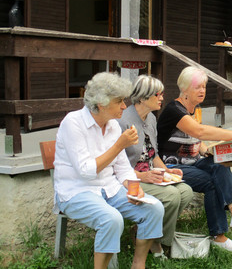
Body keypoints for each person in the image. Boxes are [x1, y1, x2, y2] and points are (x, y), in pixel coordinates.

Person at [53, 72, 164, 269]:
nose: (124, 105)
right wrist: (119, 145)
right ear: (102, 104)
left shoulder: (112, 124)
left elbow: (122, 167)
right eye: (119, 101)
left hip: (109, 188)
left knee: (154, 208)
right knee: (111, 219)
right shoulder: (73, 123)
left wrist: (132, 187)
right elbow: (86, 171)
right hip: (76, 191)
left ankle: (138, 265)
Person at [156, 66, 232, 252]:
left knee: (219, 164)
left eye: (204, 86)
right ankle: (219, 236)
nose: (202, 90)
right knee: (211, 182)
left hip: (193, 161)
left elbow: (194, 138)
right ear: (185, 89)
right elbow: (199, 131)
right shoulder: (174, 109)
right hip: (170, 166)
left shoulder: (193, 109)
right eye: (197, 87)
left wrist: (205, 150)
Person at [118, 75, 194, 259]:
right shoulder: (123, 121)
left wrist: (167, 171)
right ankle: (159, 243)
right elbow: (117, 165)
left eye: (162, 94)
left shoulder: (151, 118)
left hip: (150, 174)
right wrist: (142, 176)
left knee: (186, 191)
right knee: (172, 196)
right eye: (157, 94)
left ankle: (150, 235)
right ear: (143, 97)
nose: (162, 98)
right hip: (130, 179)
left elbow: (154, 154)